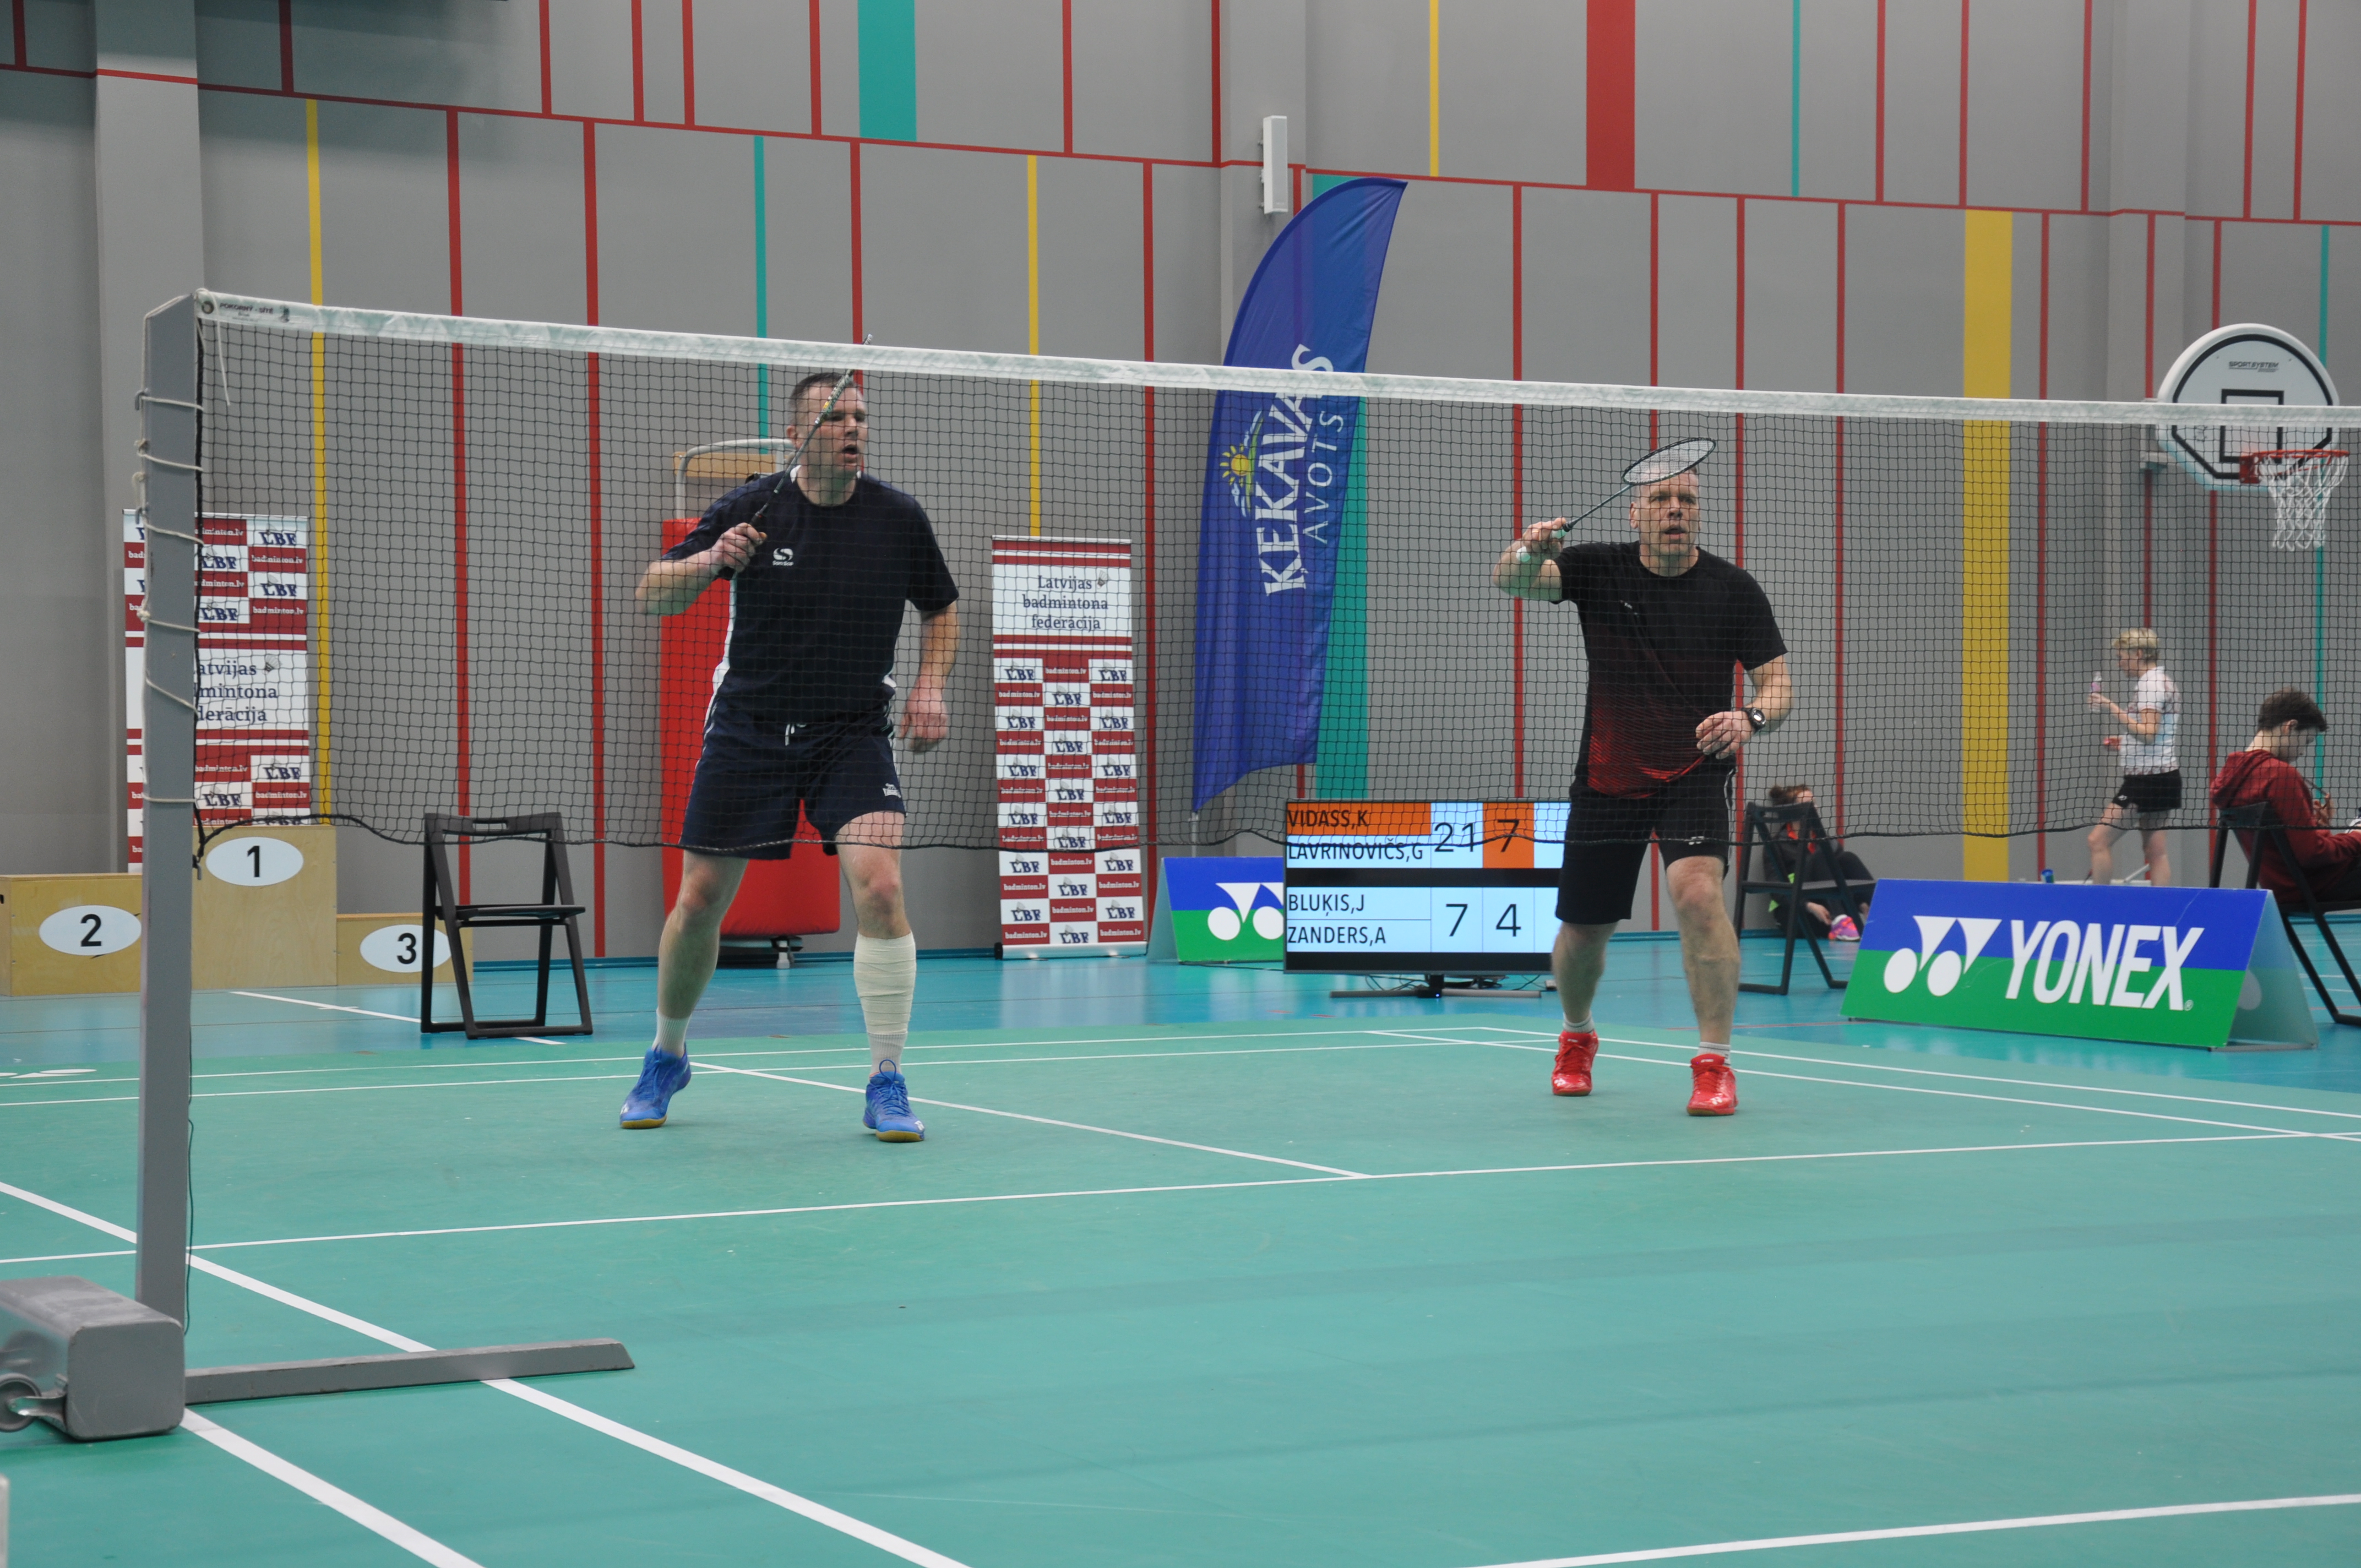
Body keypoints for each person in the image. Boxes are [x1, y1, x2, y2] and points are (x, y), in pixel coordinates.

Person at [623, 372, 961, 1137]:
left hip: (851, 730)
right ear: (796, 435)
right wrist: (712, 560)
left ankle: (887, 1077)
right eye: (834, 418)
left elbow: (941, 607)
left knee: (881, 887)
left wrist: (930, 685)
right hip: (750, 724)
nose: (852, 429)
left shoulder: (898, 517)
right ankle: (667, 1054)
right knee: (699, 900)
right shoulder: (752, 508)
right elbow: (653, 594)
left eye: (860, 417)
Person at [1493, 456, 1793, 1115]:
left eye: (1686, 499)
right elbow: (1511, 580)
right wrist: (1528, 547)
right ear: (1634, 514)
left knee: (1698, 896)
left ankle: (1713, 1063)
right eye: (1660, 499)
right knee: (1584, 931)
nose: (1675, 508)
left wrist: (1749, 718)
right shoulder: (1597, 567)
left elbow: (1777, 685)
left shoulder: (1733, 589)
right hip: (1609, 774)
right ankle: (1576, 1035)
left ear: (1698, 513)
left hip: (1696, 768)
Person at [2208, 687, 2361, 903]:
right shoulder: (2279, 775)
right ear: (2290, 727)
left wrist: (2315, 828)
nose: (2302, 752)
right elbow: (2312, 855)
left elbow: (2291, 847)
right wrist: (2357, 837)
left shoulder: (2229, 777)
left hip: (2282, 889)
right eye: (2306, 742)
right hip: (2314, 886)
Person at [2087, 628, 2179, 885]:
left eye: (2121, 657)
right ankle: (2162, 908)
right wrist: (2125, 743)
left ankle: (2099, 904)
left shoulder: (2151, 685)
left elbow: (2149, 733)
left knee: (2098, 841)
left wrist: (2110, 706)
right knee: (2156, 852)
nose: (2119, 663)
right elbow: (2157, 735)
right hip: (2165, 776)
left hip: (2146, 781)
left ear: (2138, 654)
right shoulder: (2161, 681)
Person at [1760, 783, 1874, 942]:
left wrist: (1860, 903)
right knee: (1821, 856)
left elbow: (1842, 879)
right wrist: (1809, 906)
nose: (1815, 808)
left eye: (1814, 803)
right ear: (1792, 811)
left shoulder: (1826, 842)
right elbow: (1777, 891)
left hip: (1826, 915)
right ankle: (1839, 919)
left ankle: (1875, 914)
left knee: (1848, 858)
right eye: (1808, 804)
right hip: (1797, 916)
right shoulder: (1776, 845)